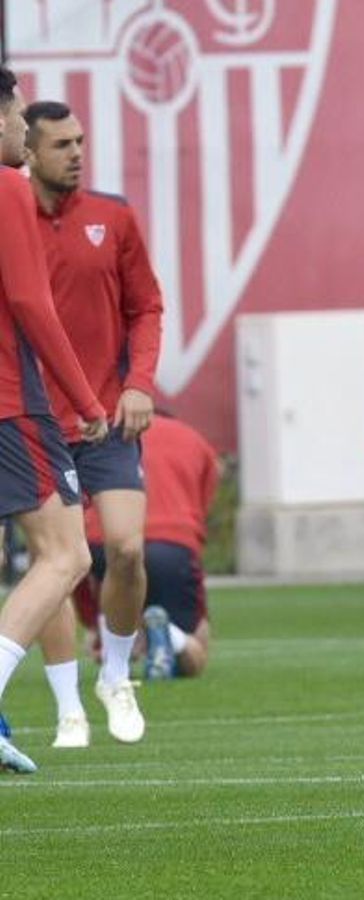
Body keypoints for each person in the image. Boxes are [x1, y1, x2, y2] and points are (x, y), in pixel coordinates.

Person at [20, 100, 163, 748]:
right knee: (56, 561)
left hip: (107, 417)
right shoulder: (12, 217)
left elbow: (147, 307)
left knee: (127, 550)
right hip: (37, 421)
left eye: (79, 141)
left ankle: (114, 674)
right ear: (30, 150)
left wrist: (139, 385)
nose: (75, 153)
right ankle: (66, 707)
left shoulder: (114, 215)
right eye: (60, 144)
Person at [0, 66, 111, 773]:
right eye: (15, 111)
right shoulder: (8, 187)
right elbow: (32, 304)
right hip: (10, 402)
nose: (19, 124)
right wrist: (89, 399)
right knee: (67, 554)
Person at [71, 412, 218, 687]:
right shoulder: (192, 438)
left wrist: (94, 623)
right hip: (173, 543)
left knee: (106, 637)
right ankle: (171, 635)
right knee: (197, 646)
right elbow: (202, 503)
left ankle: (123, 640)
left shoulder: (96, 431)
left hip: (103, 542)